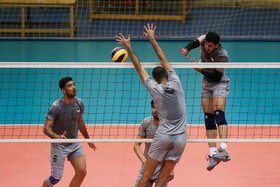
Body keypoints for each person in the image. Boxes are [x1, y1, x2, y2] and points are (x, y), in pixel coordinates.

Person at [116, 23, 187, 187]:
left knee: (146, 176)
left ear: (155, 79)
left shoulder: (154, 88)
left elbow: (139, 67)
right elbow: (163, 59)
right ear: (167, 75)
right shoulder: (176, 82)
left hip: (163, 137)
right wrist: (153, 39)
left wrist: (128, 47)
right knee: (162, 179)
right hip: (181, 138)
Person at [180, 32, 231, 171]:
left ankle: (224, 150)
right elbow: (196, 41)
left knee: (219, 112)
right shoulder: (204, 41)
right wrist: (187, 49)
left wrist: (200, 69)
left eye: (210, 46)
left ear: (216, 45)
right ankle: (213, 155)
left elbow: (217, 77)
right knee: (208, 117)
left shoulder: (222, 55)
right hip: (206, 84)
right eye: (206, 45)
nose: (207, 48)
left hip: (219, 82)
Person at [42, 77, 97, 187]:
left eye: (74, 84)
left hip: (74, 142)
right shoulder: (56, 107)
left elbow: (80, 121)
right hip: (59, 145)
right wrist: (57, 137)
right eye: (70, 86)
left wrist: (88, 139)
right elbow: (46, 128)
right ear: (63, 90)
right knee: (55, 178)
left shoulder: (79, 103)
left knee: (82, 172)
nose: (74, 87)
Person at [134, 100, 174, 187]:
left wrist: (171, 168)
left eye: (158, 108)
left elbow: (172, 149)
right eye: (153, 107)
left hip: (162, 168)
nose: (155, 110)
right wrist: (144, 160)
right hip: (147, 166)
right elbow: (136, 145)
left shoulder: (168, 126)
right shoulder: (146, 123)